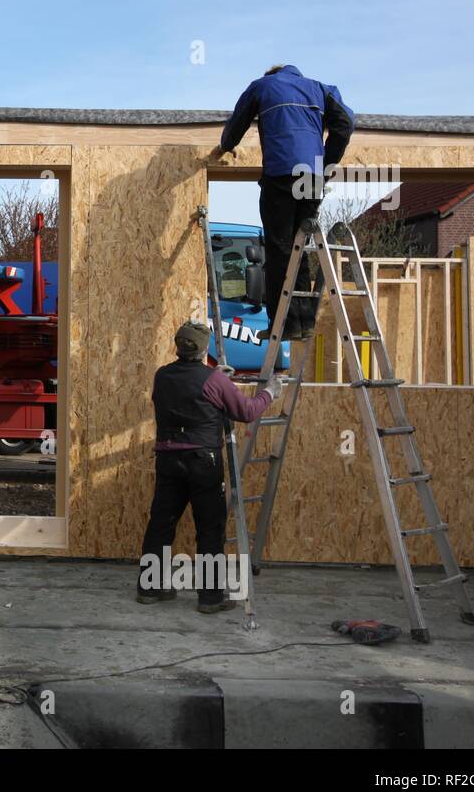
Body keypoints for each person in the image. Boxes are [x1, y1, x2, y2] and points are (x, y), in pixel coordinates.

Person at [138, 320, 284, 613]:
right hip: (203, 461)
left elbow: (184, 391)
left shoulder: (162, 375)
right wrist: (270, 391)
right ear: (205, 349)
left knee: (161, 524)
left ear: (178, 346)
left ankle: (149, 589)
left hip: (168, 459)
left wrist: (214, 377)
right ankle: (210, 598)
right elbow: (246, 411)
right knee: (209, 528)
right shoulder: (213, 381)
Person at [209, 65, 354, 340]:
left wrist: (227, 145)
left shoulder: (262, 86)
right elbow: (346, 123)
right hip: (311, 178)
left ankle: (282, 324)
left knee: (278, 249)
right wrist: (325, 163)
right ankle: (304, 321)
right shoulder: (322, 89)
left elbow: (237, 121)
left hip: (281, 175)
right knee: (300, 247)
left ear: (272, 75)